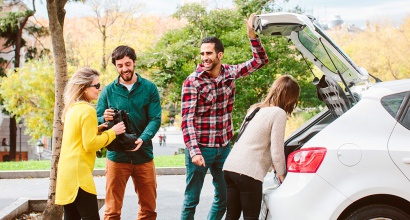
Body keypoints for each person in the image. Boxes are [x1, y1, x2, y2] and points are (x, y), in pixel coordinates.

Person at [180, 13, 269, 220]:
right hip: (200, 148)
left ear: (220, 55)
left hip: (224, 148)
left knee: (225, 197)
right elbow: (187, 121)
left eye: (209, 53)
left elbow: (260, 60)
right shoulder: (192, 82)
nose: (204, 58)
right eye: (202, 54)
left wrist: (252, 36)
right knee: (191, 199)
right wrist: (194, 152)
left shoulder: (230, 73)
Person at [96, 45, 162, 220]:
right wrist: (104, 118)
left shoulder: (149, 88)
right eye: (120, 65)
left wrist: (143, 138)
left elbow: (155, 118)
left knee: (148, 210)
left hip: (144, 156)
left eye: (127, 64)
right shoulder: (108, 91)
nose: (124, 69)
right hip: (117, 157)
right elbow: (96, 121)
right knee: (111, 211)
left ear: (134, 62)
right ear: (116, 67)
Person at [223, 75, 300, 219]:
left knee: (231, 216)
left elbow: (251, 140)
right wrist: (281, 174)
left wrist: (273, 166)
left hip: (230, 167)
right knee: (251, 217)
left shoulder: (255, 108)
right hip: (248, 172)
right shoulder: (278, 113)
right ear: (290, 97)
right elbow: (276, 149)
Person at [55, 67, 126, 220]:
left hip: (66, 174)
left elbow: (77, 137)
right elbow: (90, 144)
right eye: (96, 86)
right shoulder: (88, 110)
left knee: (71, 217)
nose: (100, 89)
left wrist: (98, 129)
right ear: (84, 88)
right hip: (78, 175)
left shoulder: (72, 108)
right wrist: (113, 132)